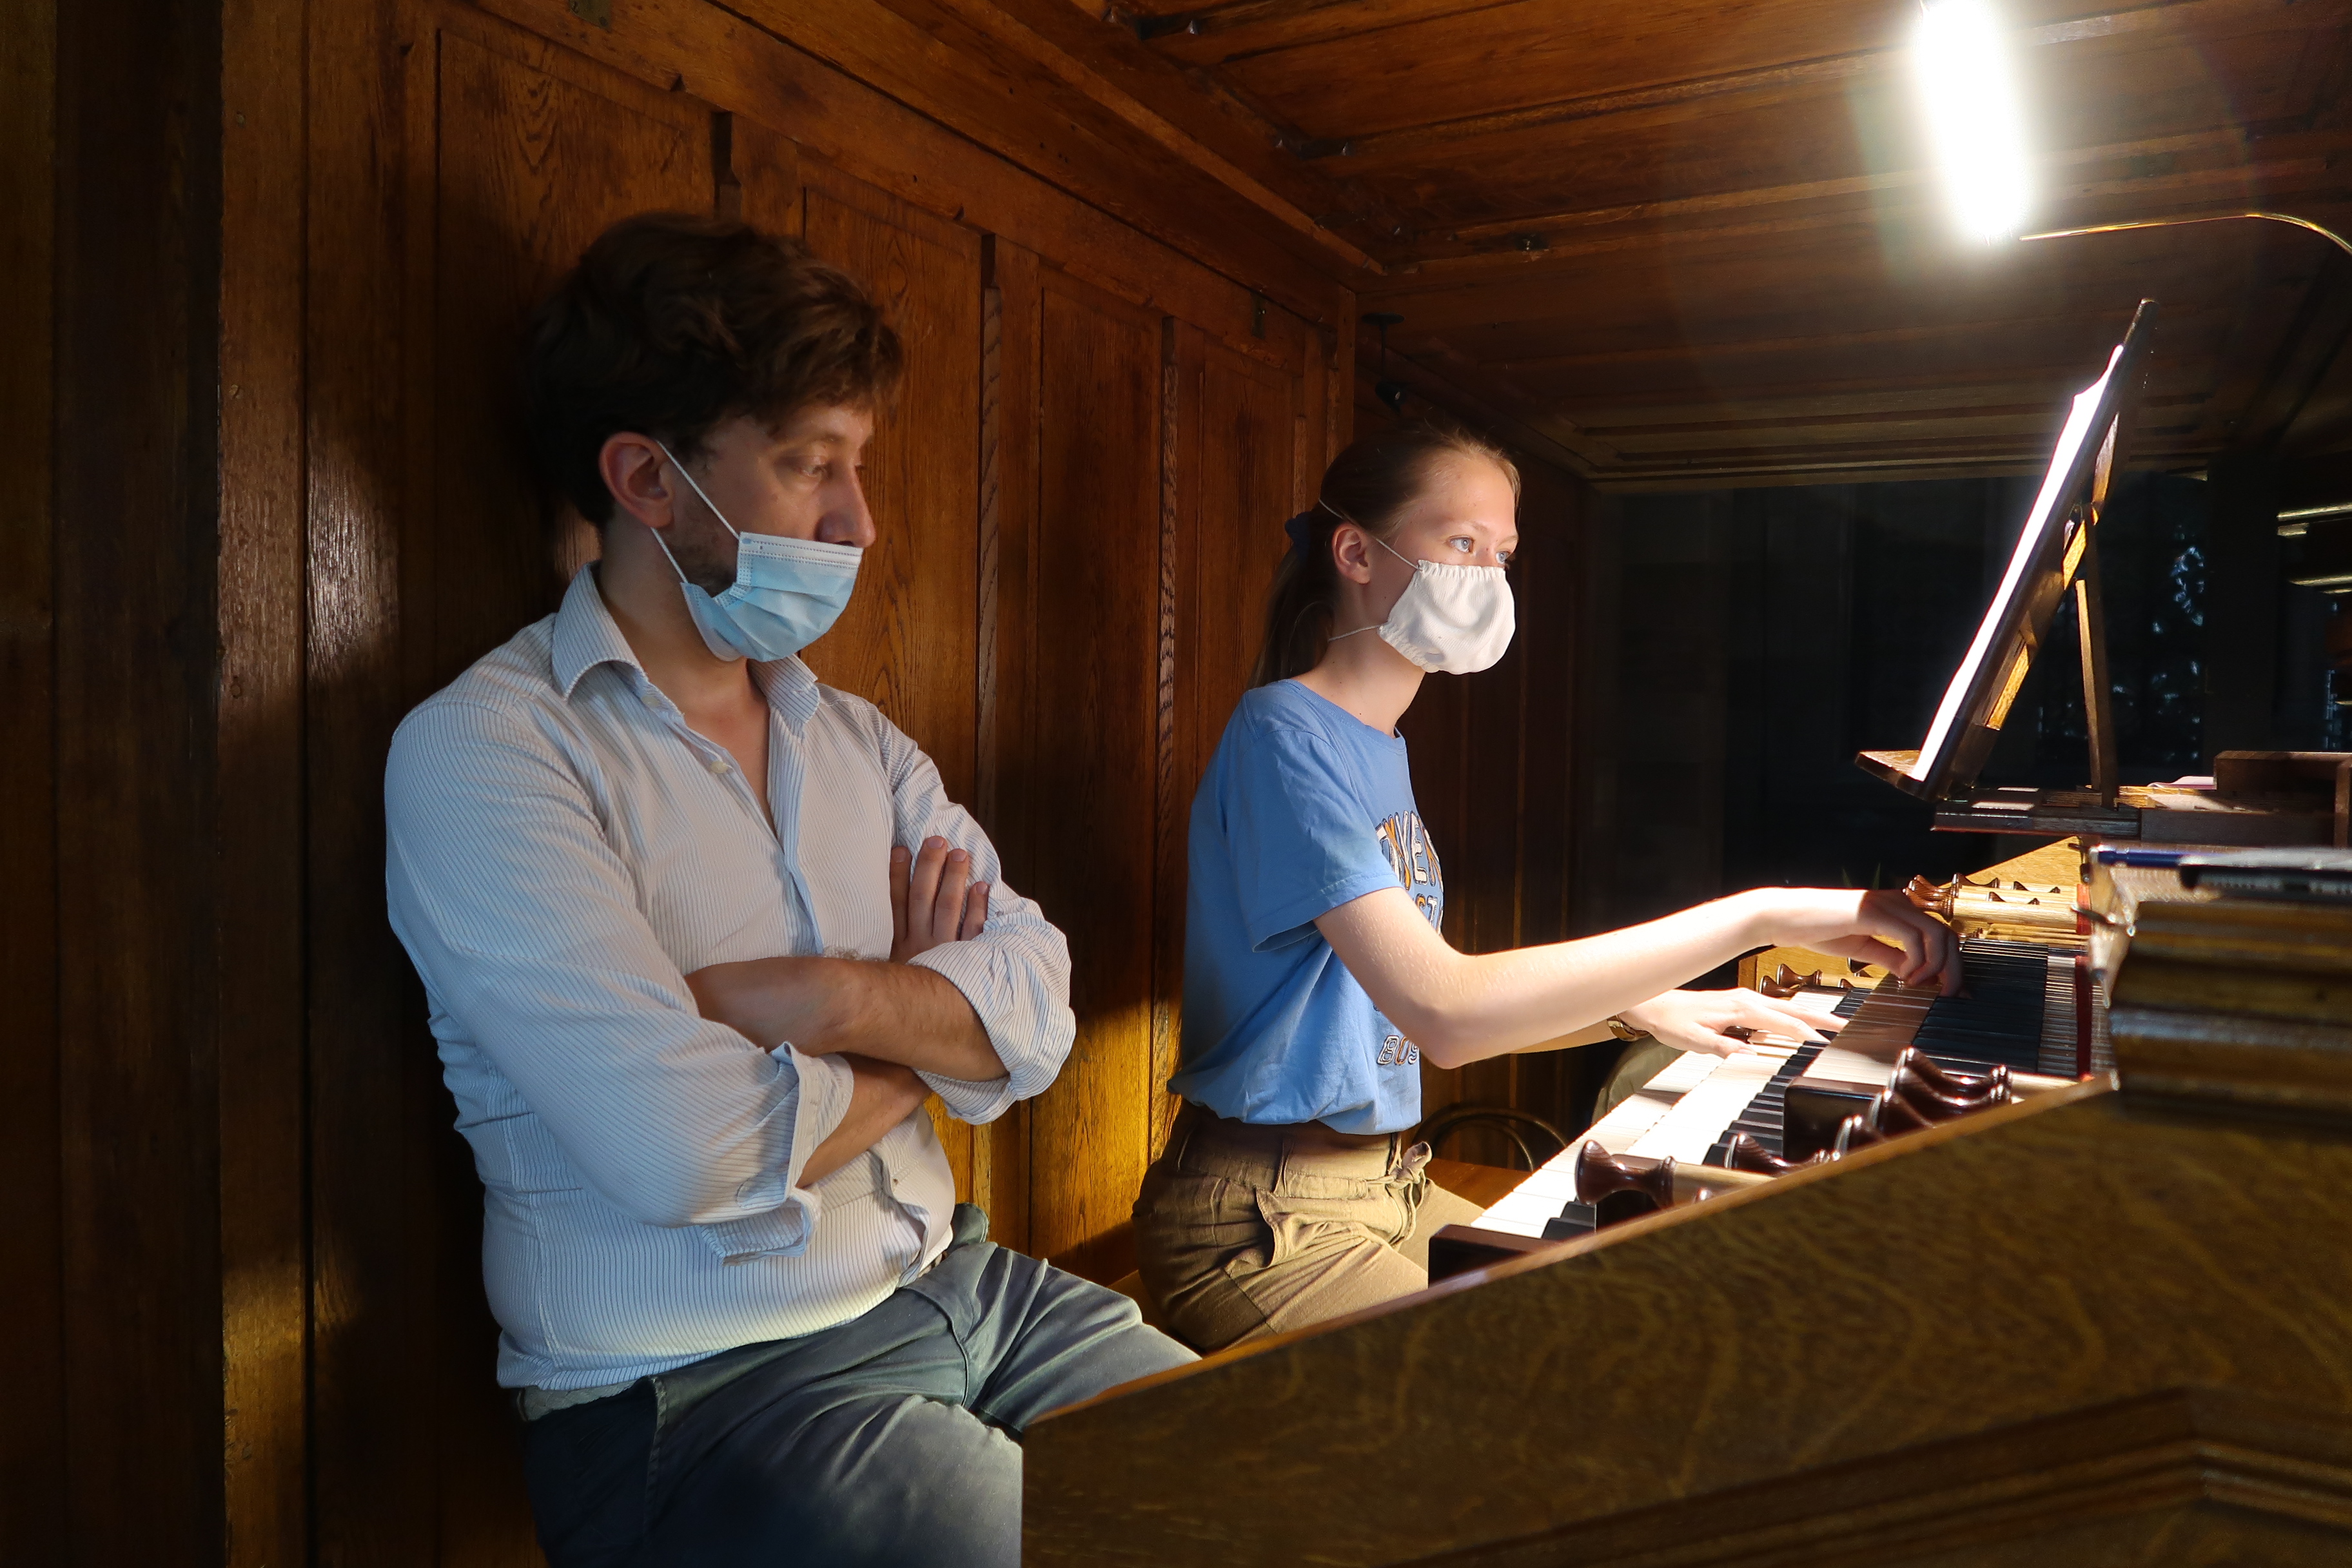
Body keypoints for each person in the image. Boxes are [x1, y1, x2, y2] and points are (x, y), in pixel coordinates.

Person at [384, 213, 1192, 1568]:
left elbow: (1040, 1005)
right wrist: (925, 1031)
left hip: (959, 1286)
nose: (859, 521)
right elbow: (689, 1150)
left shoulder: (859, 741)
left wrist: (820, 998)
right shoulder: (490, 750)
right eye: (811, 464)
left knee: (1295, 1469)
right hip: (701, 1389)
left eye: (856, 465)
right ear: (647, 476)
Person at [1131, 423, 1960, 1354]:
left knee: (1621, 1319)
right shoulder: (1285, 735)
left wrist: (1646, 1011)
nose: (1488, 576)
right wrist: (1762, 914)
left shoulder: (1376, 745)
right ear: (1356, 554)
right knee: (1551, 1380)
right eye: (1461, 542)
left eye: (1504, 553)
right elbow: (1447, 1011)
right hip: (1260, 1224)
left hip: (1381, 1187)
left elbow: (1401, 1014)